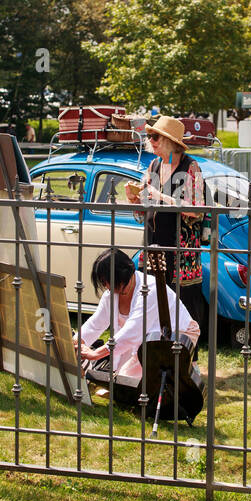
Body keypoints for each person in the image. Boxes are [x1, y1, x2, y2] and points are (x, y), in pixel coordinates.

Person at [124, 114, 206, 353]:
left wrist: (158, 195)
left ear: (170, 141)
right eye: (150, 136)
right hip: (153, 245)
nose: (151, 141)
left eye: (155, 137)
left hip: (181, 253)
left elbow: (196, 208)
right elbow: (144, 209)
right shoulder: (154, 166)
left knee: (182, 305)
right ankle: (152, 354)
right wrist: (135, 199)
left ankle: (186, 362)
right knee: (151, 302)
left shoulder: (190, 167)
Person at [73, 249, 199, 402]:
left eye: (109, 281)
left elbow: (132, 331)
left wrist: (95, 354)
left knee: (127, 384)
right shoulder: (111, 294)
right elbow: (95, 323)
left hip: (178, 334)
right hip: (142, 340)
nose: (107, 287)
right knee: (122, 382)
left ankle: (182, 375)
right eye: (104, 282)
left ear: (125, 275)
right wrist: (75, 341)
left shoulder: (149, 289)